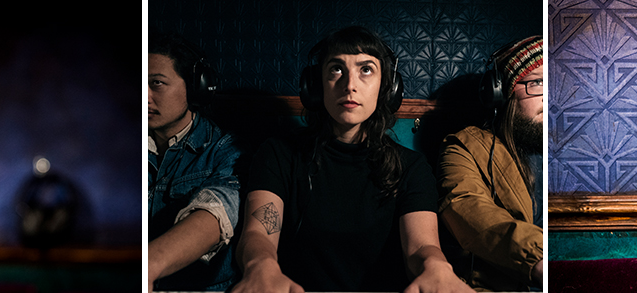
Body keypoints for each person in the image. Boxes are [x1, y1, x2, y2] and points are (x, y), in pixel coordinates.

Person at [231, 26, 474, 293]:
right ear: (315, 84)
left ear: (387, 87)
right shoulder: (278, 154)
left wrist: (436, 267)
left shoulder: (412, 168)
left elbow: (421, 246)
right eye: (336, 69)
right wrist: (260, 266)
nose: (349, 85)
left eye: (366, 69)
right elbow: (259, 232)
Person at [437, 35, 544, 291]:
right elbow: (465, 204)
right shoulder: (465, 147)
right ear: (500, 93)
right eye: (539, 82)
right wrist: (539, 259)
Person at [147, 33, 241, 291]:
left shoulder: (225, 150)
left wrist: (149, 265)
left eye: (156, 83)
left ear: (196, 86)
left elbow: (215, 212)